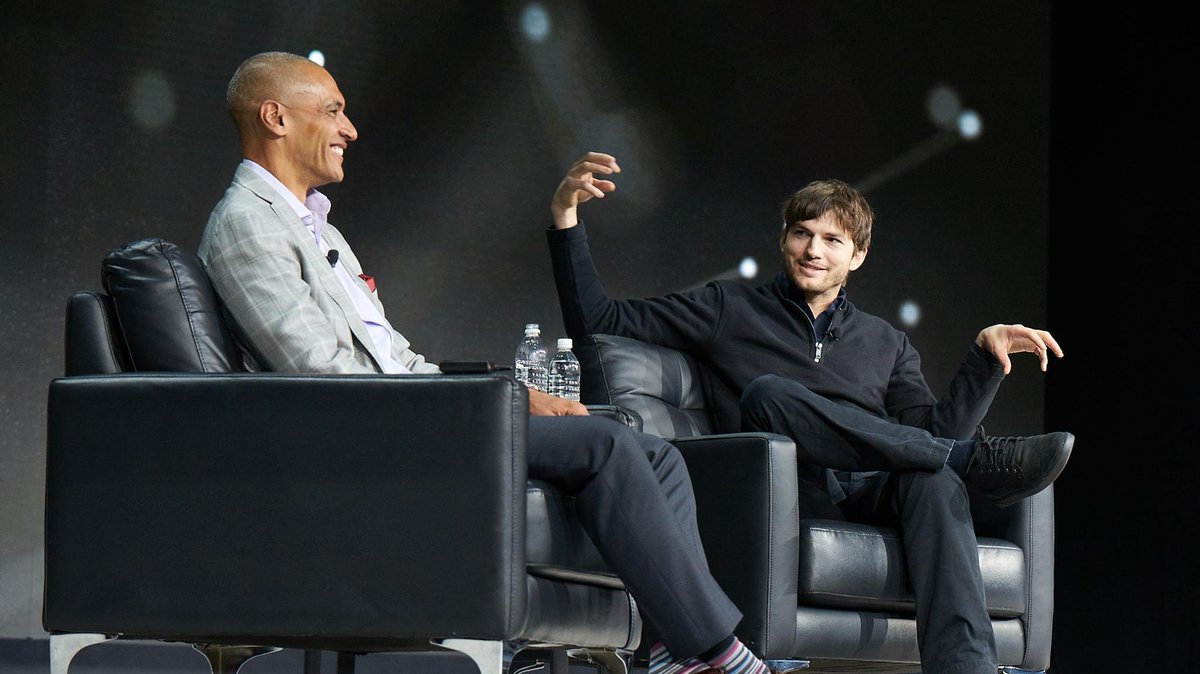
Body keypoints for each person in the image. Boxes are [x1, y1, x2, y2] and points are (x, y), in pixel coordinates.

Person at [198, 52, 786, 674]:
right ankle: (718, 653)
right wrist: (487, 405)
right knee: (606, 444)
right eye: (333, 111)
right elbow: (323, 376)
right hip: (374, 433)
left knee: (657, 455)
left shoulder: (320, 229)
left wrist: (508, 394)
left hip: (413, 413)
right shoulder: (247, 223)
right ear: (276, 118)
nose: (351, 129)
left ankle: (672, 652)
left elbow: (400, 360)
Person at [544, 151, 1075, 674]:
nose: (813, 250)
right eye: (802, 233)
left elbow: (932, 435)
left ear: (857, 255)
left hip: (866, 489)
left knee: (934, 480)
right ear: (784, 239)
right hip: (786, 490)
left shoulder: (886, 342)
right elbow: (597, 320)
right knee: (768, 394)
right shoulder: (729, 308)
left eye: (832, 239)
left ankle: (966, 668)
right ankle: (968, 461)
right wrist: (566, 217)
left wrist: (983, 362)